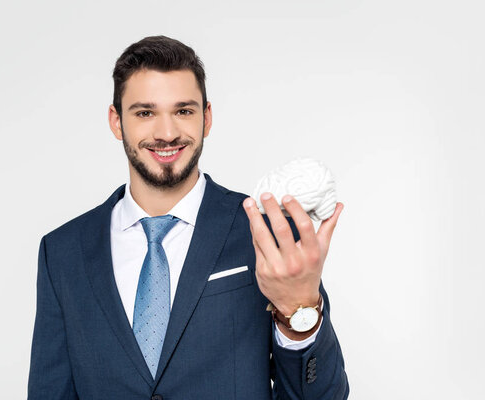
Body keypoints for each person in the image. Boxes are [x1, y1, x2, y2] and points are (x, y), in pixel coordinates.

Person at [28, 35, 349, 399]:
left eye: (183, 111)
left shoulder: (263, 232)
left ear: (206, 117)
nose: (167, 134)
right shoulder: (62, 252)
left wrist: (299, 316)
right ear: (116, 121)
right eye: (145, 113)